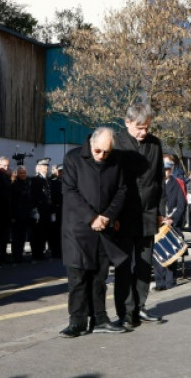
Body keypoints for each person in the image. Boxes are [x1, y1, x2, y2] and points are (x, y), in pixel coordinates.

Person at [59, 127, 128, 337]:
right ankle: (77, 321)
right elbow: (70, 192)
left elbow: (121, 190)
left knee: (99, 276)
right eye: (98, 151)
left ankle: (99, 318)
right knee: (78, 276)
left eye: (106, 152)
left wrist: (108, 216)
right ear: (91, 144)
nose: (102, 156)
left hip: (104, 228)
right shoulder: (73, 158)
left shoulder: (116, 161)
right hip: (78, 228)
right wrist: (92, 218)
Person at [113, 103, 165, 328]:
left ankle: (140, 307)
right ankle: (125, 311)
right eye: (139, 128)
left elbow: (159, 179)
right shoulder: (117, 143)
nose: (144, 132)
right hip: (124, 214)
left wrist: (161, 211)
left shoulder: (155, 144)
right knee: (125, 265)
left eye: (147, 128)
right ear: (127, 123)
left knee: (144, 264)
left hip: (148, 213)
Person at [154, 157, 186, 290]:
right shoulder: (155, 184)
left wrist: (172, 219)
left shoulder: (177, 184)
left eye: (168, 169)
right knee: (157, 256)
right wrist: (158, 218)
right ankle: (160, 283)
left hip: (172, 223)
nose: (166, 172)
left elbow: (181, 205)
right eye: (164, 169)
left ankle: (170, 281)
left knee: (171, 254)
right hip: (158, 223)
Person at [10, 166, 35, 263]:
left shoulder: (27, 184)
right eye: (21, 173)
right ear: (17, 174)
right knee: (17, 237)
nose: (23, 175)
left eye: (24, 173)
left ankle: (20, 254)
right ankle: (16, 255)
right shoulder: (14, 185)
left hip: (26, 214)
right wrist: (12, 216)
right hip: (17, 215)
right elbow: (12, 201)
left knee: (23, 236)